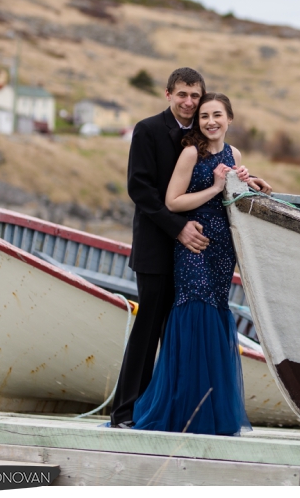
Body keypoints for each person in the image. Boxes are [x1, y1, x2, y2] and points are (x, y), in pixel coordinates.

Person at [109, 69, 270, 428]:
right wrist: (178, 228)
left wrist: (249, 179)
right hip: (158, 244)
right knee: (149, 327)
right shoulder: (148, 130)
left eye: (195, 96)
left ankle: (182, 406)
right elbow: (141, 191)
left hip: (205, 248)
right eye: (182, 95)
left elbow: (221, 167)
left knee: (183, 329)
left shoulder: (204, 135)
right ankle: (126, 411)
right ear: (168, 94)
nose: (188, 102)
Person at [131, 93, 252, 434]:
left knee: (215, 315)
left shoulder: (235, 154)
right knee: (192, 315)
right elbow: (173, 201)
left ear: (230, 119)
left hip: (221, 250)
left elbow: (238, 197)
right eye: (204, 116)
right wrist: (215, 187)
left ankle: (209, 412)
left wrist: (252, 182)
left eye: (217, 115)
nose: (210, 121)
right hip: (193, 246)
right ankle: (181, 410)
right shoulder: (190, 153)